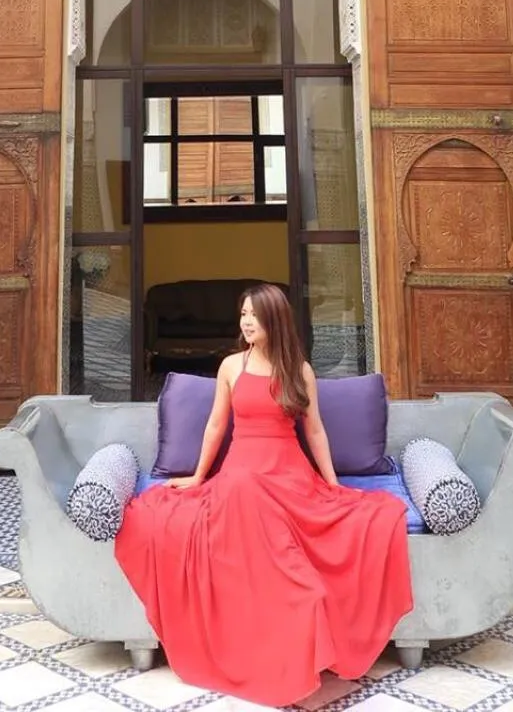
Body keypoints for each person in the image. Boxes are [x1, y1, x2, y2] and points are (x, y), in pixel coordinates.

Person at [115, 284, 413, 707]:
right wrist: (199, 477)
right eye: (242, 315)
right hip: (241, 471)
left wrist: (331, 484)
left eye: (254, 314)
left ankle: (304, 615)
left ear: (275, 320)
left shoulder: (299, 370)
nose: (246, 322)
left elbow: (314, 431)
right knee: (238, 489)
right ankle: (288, 617)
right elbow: (217, 426)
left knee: (375, 516)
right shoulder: (231, 366)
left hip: (289, 471)